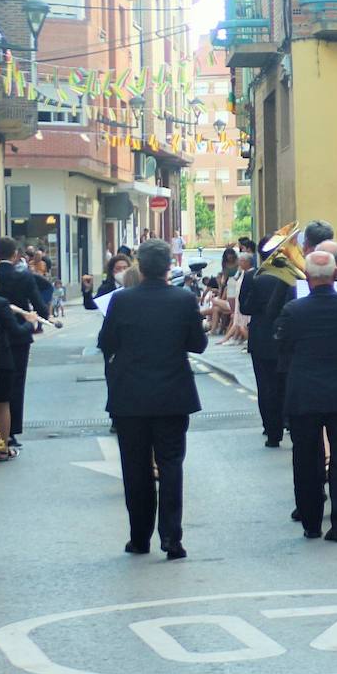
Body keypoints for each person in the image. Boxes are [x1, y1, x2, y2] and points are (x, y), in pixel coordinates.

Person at [98, 239, 207, 560]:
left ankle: (139, 538)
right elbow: (198, 345)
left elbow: (107, 343)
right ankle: (172, 538)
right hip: (173, 396)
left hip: (130, 397)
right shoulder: (184, 300)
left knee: (135, 469)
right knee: (171, 466)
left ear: (140, 269)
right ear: (168, 267)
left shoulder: (121, 301)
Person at [275, 250, 337, 543]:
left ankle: (311, 522)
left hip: (305, 393)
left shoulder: (293, 310)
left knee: (306, 459)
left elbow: (282, 345)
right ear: (335, 275)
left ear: (306, 276)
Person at [240, 237, 298, 447]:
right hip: (286, 335)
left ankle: (272, 432)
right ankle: (290, 421)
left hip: (261, 337)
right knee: (286, 382)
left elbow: (244, 308)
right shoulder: (291, 275)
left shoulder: (253, 276)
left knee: (265, 387)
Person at [0, 237, 51, 448]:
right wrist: (37, 319)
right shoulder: (24, 277)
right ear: (15, 254)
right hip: (17, 338)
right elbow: (39, 303)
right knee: (15, 386)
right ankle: (10, 434)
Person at [0, 269, 32, 462]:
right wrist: (30, 322)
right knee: (2, 406)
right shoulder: (0, 304)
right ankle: (4, 448)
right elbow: (16, 331)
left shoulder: (0, 304)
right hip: (1, 361)